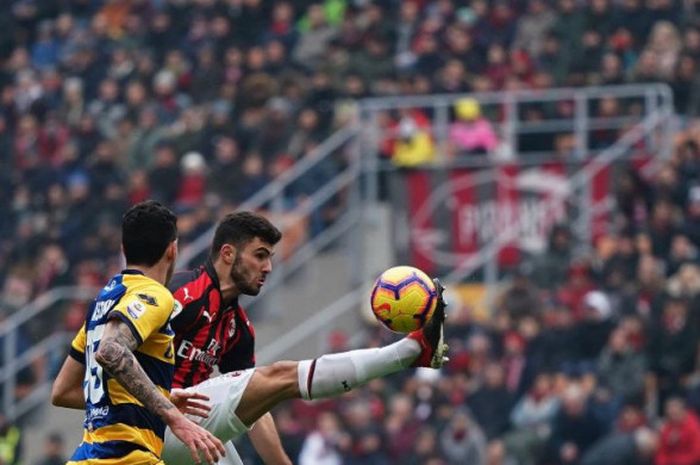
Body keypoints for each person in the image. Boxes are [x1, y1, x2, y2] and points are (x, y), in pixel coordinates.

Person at [160, 211, 448, 465]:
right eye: (260, 255)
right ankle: (412, 351)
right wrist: (161, 400)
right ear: (227, 254)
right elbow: (119, 353)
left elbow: (255, 406)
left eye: (269, 258)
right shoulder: (182, 293)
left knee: (270, 383)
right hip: (151, 423)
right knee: (281, 374)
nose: (268, 268)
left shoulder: (239, 328)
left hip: (190, 431)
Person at [50, 200, 226, 465]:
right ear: (172, 250)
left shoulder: (103, 302)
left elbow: (62, 391)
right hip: (127, 456)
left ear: (124, 249)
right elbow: (110, 350)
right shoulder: (154, 294)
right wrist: (172, 415)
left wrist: (157, 396)